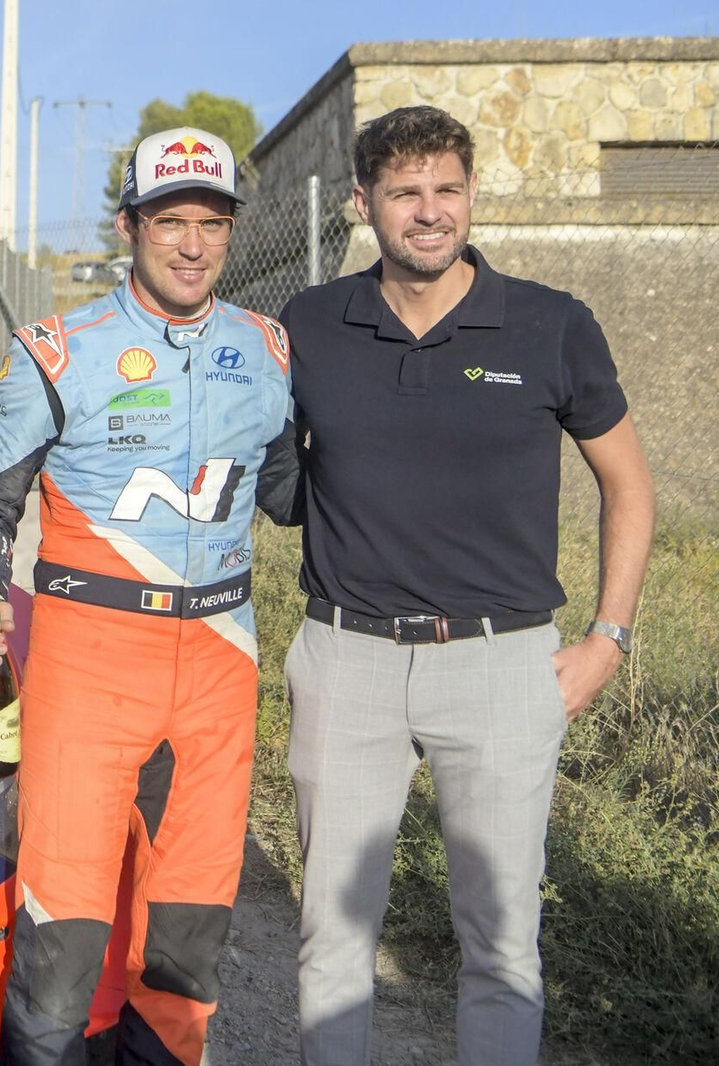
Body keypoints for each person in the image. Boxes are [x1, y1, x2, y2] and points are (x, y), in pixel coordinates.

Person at [279, 106, 655, 1066]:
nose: (429, 211)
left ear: (472, 194)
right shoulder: (312, 323)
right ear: (364, 204)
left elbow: (628, 483)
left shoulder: (550, 323)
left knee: (499, 945)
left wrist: (606, 639)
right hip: (345, 659)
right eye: (405, 192)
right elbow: (267, 472)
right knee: (332, 939)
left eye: (447, 188)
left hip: (501, 666)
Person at [0, 126, 303, 1065]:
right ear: (129, 225)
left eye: (212, 223)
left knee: (187, 936)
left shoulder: (268, 349)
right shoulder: (60, 351)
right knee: (63, 929)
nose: (193, 244)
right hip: (89, 661)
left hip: (220, 665)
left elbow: (294, 497)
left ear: (232, 229)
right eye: (171, 221)